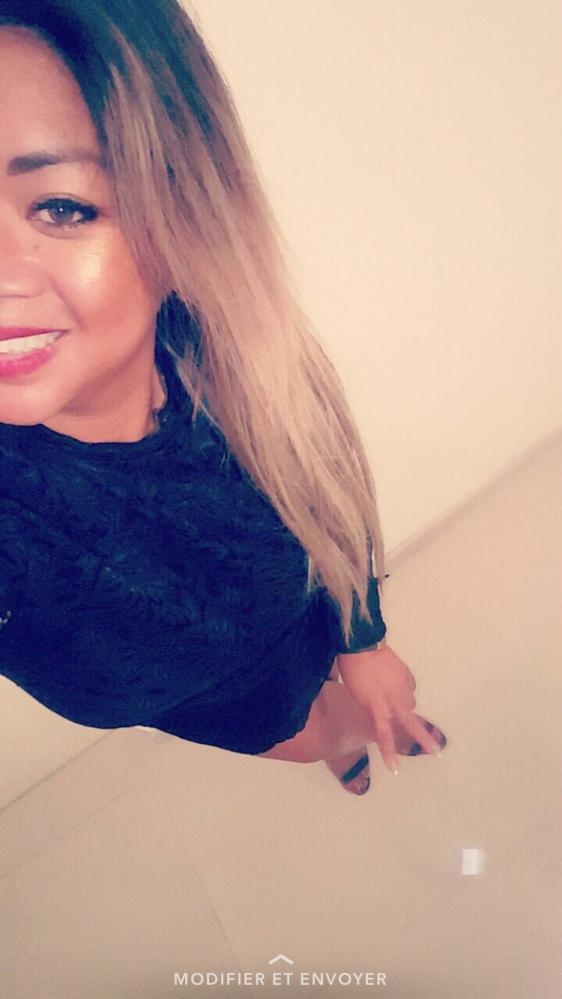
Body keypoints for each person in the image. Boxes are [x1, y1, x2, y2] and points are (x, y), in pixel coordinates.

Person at [0, 0, 447, 798]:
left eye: (60, 207)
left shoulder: (231, 349)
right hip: (227, 711)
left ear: (182, 219)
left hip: (310, 618)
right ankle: (336, 739)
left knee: (358, 702)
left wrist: (364, 640)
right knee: (318, 734)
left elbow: (327, 483)